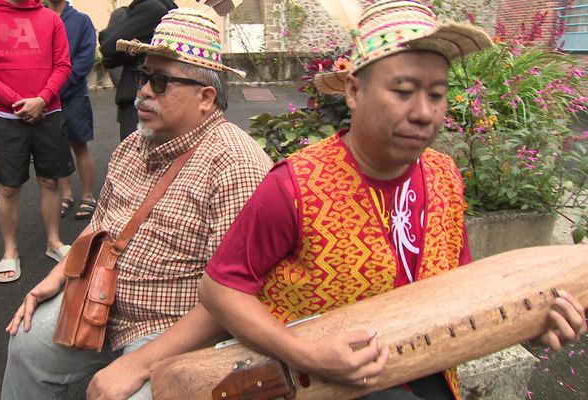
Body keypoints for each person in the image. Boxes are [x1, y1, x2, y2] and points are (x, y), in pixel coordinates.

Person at [198, 1, 588, 399]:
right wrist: (304, 353)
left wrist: (534, 323)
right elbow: (219, 289)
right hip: (324, 386)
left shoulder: (445, 176)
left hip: (430, 376)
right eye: (403, 91)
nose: (424, 112)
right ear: (353, 90)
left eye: (437, 94)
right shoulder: (294, 186)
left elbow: (465, 294)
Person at [1, 8, 272, 400]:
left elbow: (233, 297)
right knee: (26, 342)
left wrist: (139, 363)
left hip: (172, 326)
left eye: (160, 82)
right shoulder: (132, 145)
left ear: (205, 97)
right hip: (97, 298)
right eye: (144, 76)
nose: (142, 91)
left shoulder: (237, 168)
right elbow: (99, 225)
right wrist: (57, 277)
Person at [0, 0, 74, 283]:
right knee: (9, 187)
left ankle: (54, 242)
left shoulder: (51, 19)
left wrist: (42, 99)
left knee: (50, 180)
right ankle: (10, 250)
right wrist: (18, 103)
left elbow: (63, 65)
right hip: (3, 115)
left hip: (48, 112)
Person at [46, 0, 98, 220]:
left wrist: (57, 87)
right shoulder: (40, 17)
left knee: (79, 144)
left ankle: (88, 195)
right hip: (47, 97)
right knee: (58, 147)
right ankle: (66, 194)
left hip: (73, 95)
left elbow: (84, 60)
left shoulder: (81, 20)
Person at [99, 0, 177, 141]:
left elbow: (108, 45)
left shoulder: (152, 8)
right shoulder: (172, 11)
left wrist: (131, 48)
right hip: (161, 97)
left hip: (137, 99)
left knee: (134, 157)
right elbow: (109, 57)